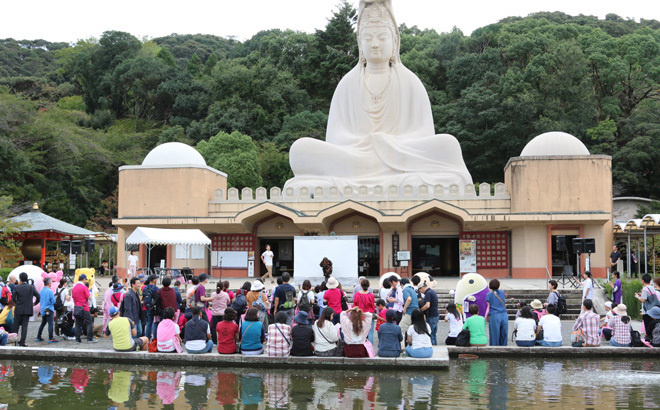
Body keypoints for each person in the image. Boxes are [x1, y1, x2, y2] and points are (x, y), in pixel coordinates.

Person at [284, 0, 473, 192]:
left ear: (395, 41)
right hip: (356, 157)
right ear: (359, 43)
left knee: (448, 145)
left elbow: (424, 133)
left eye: (382, 37)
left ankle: (358, 182)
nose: (375, 45)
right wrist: (369, 144)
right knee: (301, 149)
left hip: (401, 156)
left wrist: (387, 143)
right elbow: (335, 137)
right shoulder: (347, 84)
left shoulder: (410, 82)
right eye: (368, 38)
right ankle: (397, 181)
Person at [13, 272, 40, 347]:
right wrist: (34, 303)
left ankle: (14, 341)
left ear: (20, 279)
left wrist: (17, 303)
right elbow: (38, 296)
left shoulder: (16, 287)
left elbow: (13, 298)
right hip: (27, 308)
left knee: (16, 325)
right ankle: (22, 341)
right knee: (24, 326)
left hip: (18, 308)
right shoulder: (31, 287)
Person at [72, 274, 97, 344]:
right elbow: (89, 297)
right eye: (85, 279)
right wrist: (91, 294)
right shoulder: (84, 287)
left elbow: (73, 297)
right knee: (89, 322)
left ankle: (77, 339)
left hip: (77, 307)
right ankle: (89, 338)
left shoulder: (74, 288)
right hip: (84, 307)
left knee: (77, 323)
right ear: (83, 279)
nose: (85, 281)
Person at [636, 274, 660, 338]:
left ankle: (649, 339)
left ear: (643, 281)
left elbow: (643, 300)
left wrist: (638, 297)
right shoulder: (652, 287)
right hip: (653, 309)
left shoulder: (645, 289)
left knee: (648, 327)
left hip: (647, 311)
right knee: (653, 326)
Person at [486, 279, 508, 346]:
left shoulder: (489, 295)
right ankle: (504, 347)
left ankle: (494, 348)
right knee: (504, 334)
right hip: (504, 314)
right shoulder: (502, 292)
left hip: (494, 314)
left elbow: (488, 307)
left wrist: (486, 316)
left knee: (494, 334)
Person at [352, 278, 376, 342]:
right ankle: (370, 346)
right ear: (368, 285)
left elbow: (355, 305)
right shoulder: (371, 295)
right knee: (370, 332)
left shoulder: (357, 294)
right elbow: (372, 306)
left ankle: (361, 345)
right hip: (368, 315)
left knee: (360, 332)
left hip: (359, 314)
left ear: (361, 285)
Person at [418, 277, 439, 345]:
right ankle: (435, 345)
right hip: (435, 314)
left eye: (420, 290)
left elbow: (427, 305)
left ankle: (433, 346)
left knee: (431, 333)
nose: (420, 292)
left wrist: (420, 310)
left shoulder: (428, 293)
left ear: (422, 288)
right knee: (434, 334)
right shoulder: (432, 291)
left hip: (431, 315)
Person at [36, 277, 58, 343]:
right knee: (50, 324)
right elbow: (53, 301)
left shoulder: (41, 291)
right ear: (49, 283)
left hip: (43, 309)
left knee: (43, 323)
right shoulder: (50, 291)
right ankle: (51, 338)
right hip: (49, 309)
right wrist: (55, 299)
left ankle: (38, 336)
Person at [399, 278, 419, 347]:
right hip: (416, 312)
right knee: (413, 330)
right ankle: (411, 346)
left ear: (402, 284)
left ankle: (402, 347)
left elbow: (409, 299)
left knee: (401, 329)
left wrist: (404, 309)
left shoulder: (406, 289)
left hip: (409, 312)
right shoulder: (412, 289)